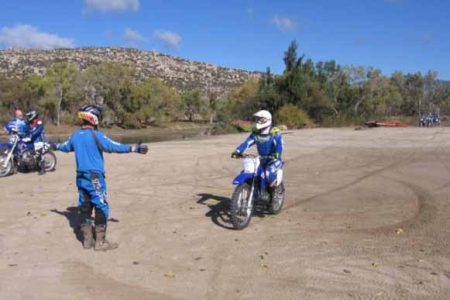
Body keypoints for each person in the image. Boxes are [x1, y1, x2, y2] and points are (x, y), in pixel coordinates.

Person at [51, 104, 148, 251]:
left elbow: (64, 146)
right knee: (101, 205)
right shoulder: (97, 135)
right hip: (95, 177)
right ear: (94, 118)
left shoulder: (75, 136)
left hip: (81, 176)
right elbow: (113, 146)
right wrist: (134, 148)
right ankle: (100, 242)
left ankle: (87, 240)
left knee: (85, 207)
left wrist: (53, 145)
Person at [231, 110, 284, 199]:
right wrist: (238, 151)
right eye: (257, 119)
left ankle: (273, 193)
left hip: (273, 159)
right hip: (261, 158)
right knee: (247, 171)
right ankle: (253, 191)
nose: (257, 121)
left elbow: (279, 144)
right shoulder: (256, 134)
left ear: (267, 120)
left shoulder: (274, 132)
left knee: (268, 173)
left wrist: (277, 154)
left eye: (260, 119)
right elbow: (247, 143)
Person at [26, 110, 47, 175]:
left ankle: (43, 169)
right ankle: (35, 167)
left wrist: (32, 134)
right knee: (33, 154)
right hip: (33, 140)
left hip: (39, 140)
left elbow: (39, 130)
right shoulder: (30, 122)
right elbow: (27, 130)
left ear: (33, 115)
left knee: (39, 155)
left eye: (30, 116)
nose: (29, 117)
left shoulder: (39, 121)